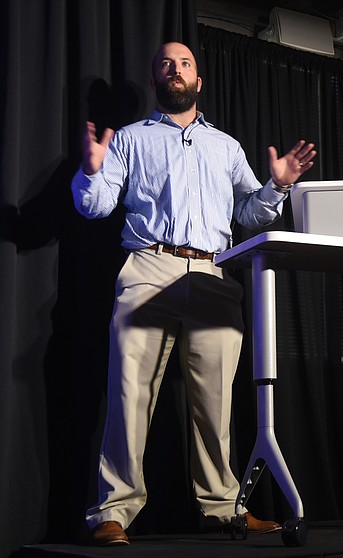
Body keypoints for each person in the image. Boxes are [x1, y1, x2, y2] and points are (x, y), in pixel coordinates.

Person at [71, 42, 317, 546]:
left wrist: (278, 186)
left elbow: (250, 215)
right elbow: (95, 207)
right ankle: (113, 512)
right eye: (165, 63)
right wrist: (92, 171)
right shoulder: (131, 139)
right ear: (156, 77)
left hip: (211, 271)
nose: (175, 69)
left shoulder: (226, 146)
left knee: (215, 401)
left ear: (198, 81)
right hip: (148, 266)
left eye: (185, 64)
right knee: (128, 395)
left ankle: (223, 507)